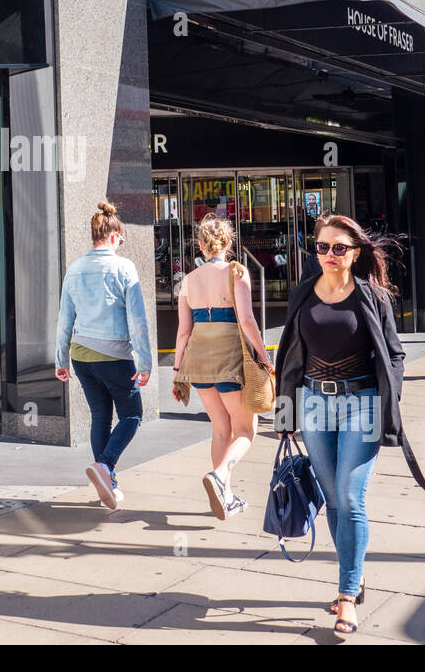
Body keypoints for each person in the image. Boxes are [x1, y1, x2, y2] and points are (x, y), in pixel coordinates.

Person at [273, 214, 425, 637]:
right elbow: (289, 358)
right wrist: (284, 415)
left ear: (356, 251)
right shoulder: (302, 294)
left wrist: (390, 400)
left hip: (361, 404)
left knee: (351, 497)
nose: (330, 255)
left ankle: (347, 594)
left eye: (339, 247)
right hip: (312, 405)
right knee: (332, 499)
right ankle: (355, 570)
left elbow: (396, 355)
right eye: (323, 247)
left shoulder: (373, 297)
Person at [172, 214, 272, 520]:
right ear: (228, 243)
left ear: (201, 245)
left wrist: (177, 374)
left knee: (220, 428)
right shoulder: (237, 272)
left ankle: (225, 495)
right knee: (245, 429)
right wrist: (265, 358)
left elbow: (183, 331)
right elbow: (246, 320)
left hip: (198, 361)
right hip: (229, 358)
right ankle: (219, 476)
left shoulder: (188, 280)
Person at [55, 200, 152, 510]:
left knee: (100, 416)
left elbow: (64, 320)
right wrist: (146, 361)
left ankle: (106, 483)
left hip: (82, 357)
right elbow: (138, 320)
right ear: (113, 237)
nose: (121, 244)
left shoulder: (74, 269)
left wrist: (60, 360)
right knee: (132, 415)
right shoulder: (124, 268)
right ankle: (106, 466)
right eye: (121, 240)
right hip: (114, 356)